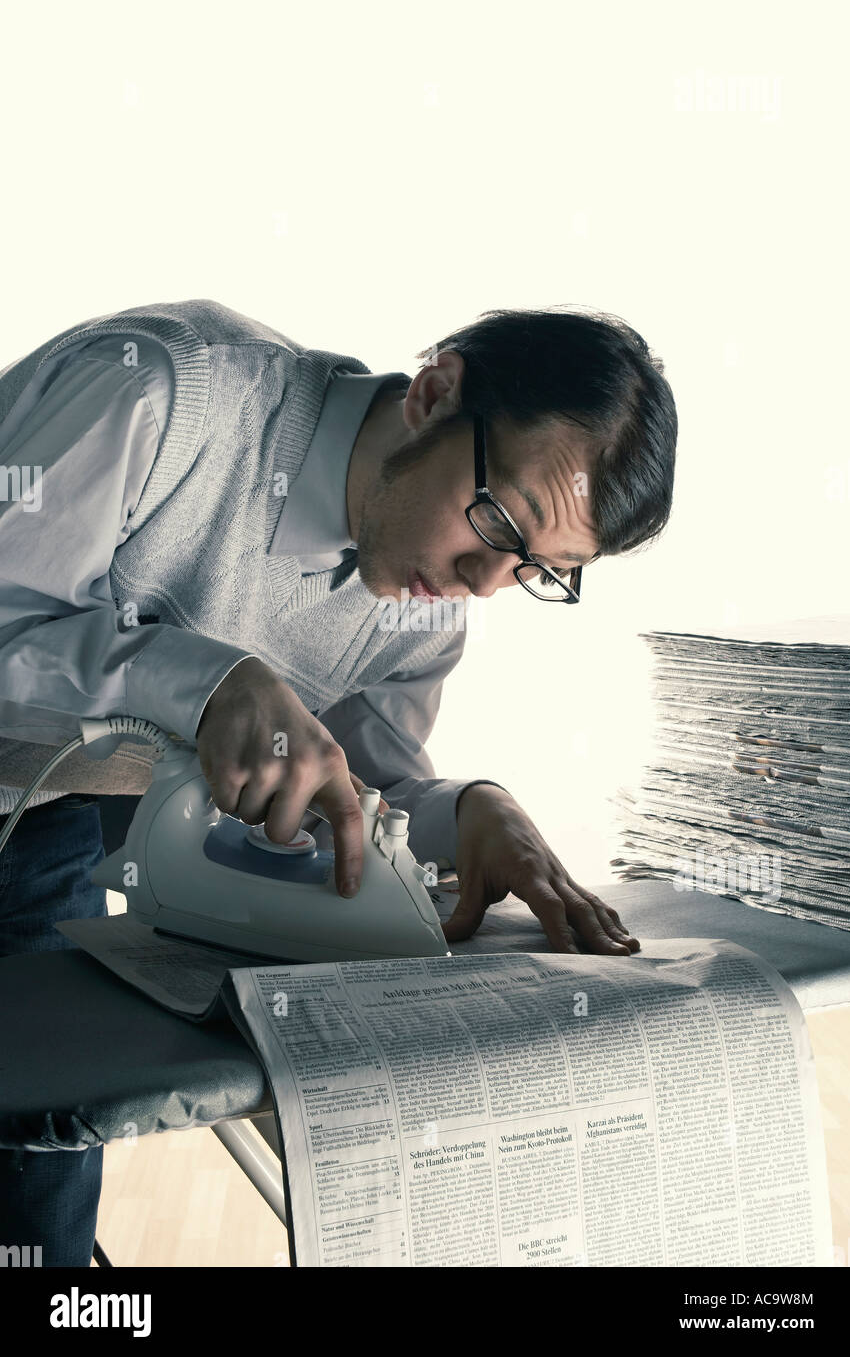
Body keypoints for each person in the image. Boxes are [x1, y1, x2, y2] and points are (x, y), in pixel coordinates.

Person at [0, 298, 677, 1264]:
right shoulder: (159, 394)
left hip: (47, 828)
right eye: (498, 521)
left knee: (39, 1220)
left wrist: (465, 815)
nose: (484, 582)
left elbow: (363, 799)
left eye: (535, 570)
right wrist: (208, 681)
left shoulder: (421, 617)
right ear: (436, 393)